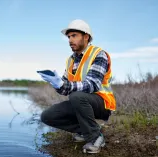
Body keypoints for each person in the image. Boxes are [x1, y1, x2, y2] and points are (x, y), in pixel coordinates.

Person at [37, 19, 116, 154]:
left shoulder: (99, 54)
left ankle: (96, 138)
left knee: (76, 96)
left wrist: (65, 85)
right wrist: (56, 83)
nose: (70, 40)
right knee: (47, 116)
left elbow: (93, 85)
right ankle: (85, 130)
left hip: (102, 103)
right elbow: (65, 88)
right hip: (80, 101)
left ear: (86, 37)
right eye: (68, 37)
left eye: (74, 36)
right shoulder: (70, 60)